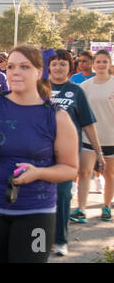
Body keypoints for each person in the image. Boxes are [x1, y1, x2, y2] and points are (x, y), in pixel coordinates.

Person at [0, 44, 79, 263]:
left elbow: (70, 169)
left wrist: (38, 173)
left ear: (39, 72)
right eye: (11, 66)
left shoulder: (57, 117)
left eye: (24, 67)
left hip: (37, 212)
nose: (15, 72)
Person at [49, 49, 103, 256]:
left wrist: (98, 152)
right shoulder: (39, 90)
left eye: (63, 64)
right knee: (40, 197)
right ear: (49, 67)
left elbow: (88, 124)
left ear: (70, 67)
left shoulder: (77, 91)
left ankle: (60, 240)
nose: (58, 68)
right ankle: (40, 236)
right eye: (54, 64)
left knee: (62, 195)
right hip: (41, 153)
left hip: (67, 154)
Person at [73, 49, 114, 223]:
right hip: (88, 138)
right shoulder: (85, 86)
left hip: (110, 137)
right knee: (84, 172)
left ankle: (106, 205)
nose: (101, 65)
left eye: (105, 61)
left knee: (109, 175)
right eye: (98, 61)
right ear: (93, 64)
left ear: (110, 64)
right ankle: (81, 210)